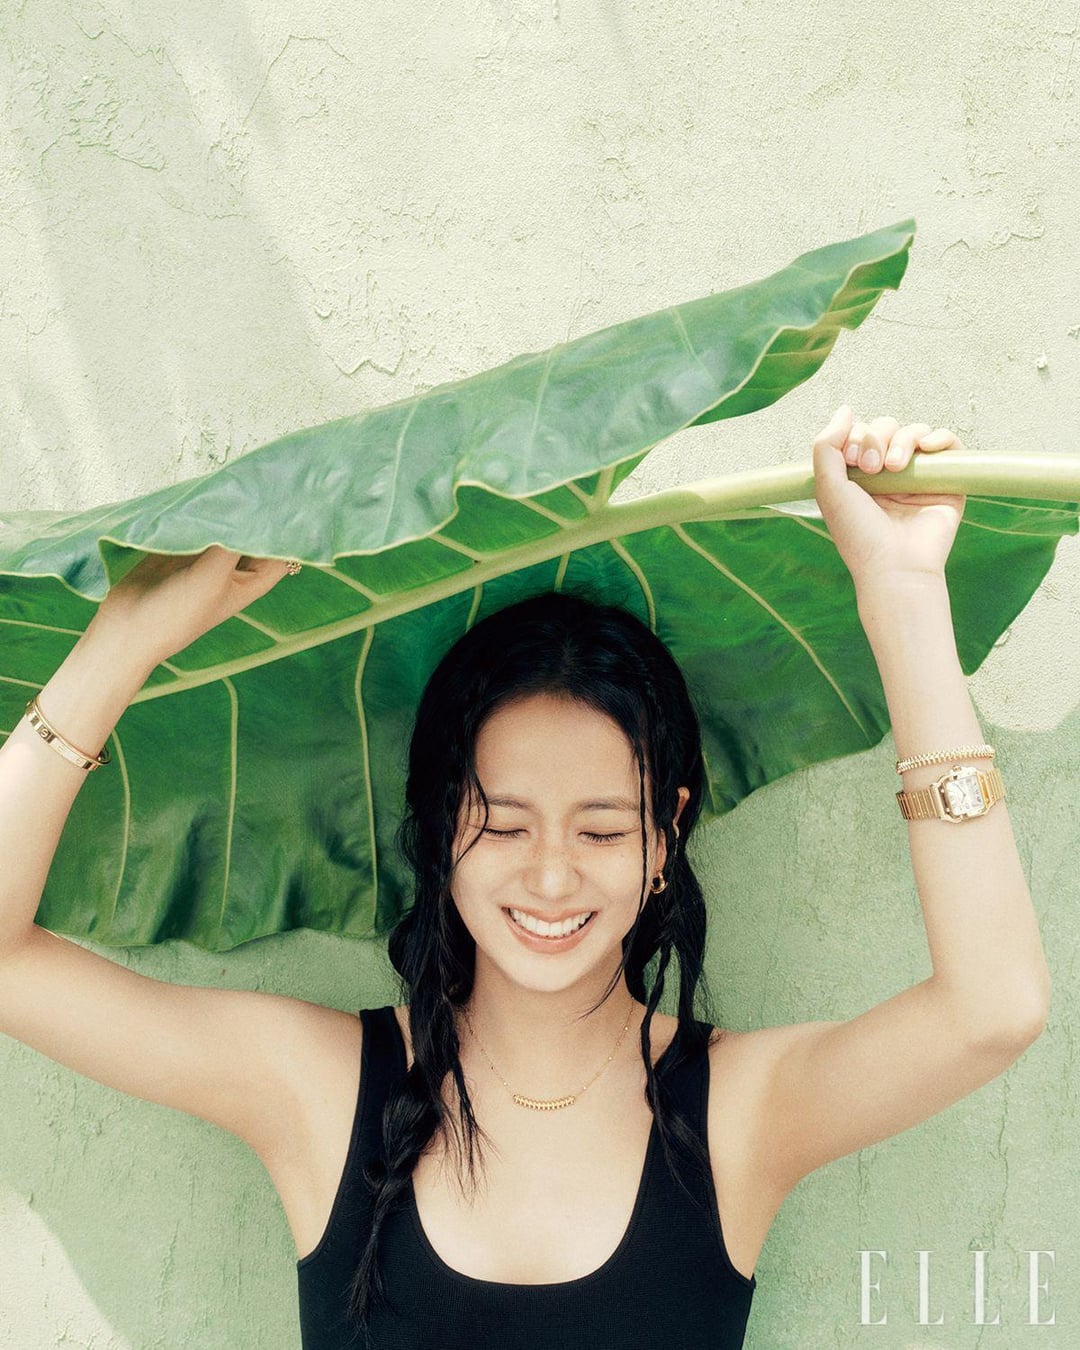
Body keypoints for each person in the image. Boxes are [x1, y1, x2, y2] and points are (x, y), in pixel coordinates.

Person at [0, 406, 1051, 1349]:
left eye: (602, 829)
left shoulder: (739, 1109)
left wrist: (904, 595)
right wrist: (126, 638)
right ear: (438, 829)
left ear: (664, 841)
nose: (551, 876)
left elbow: (991, 1010)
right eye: (503, 824)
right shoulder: (317, 1087)